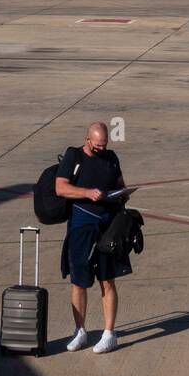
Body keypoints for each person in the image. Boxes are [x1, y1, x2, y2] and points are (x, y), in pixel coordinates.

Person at [57, 122, 129, 354]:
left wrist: (122, 195)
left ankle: (109, 333)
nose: (101, 149)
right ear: (87, 140)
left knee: (107, 279)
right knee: (79, 280)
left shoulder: (111, 157)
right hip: (82, 225)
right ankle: (80, 331)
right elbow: (61, 188)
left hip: (107, 227)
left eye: (104, 145)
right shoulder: (73, 156)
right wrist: (87, 193)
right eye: (97, 146)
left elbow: (120, 183)